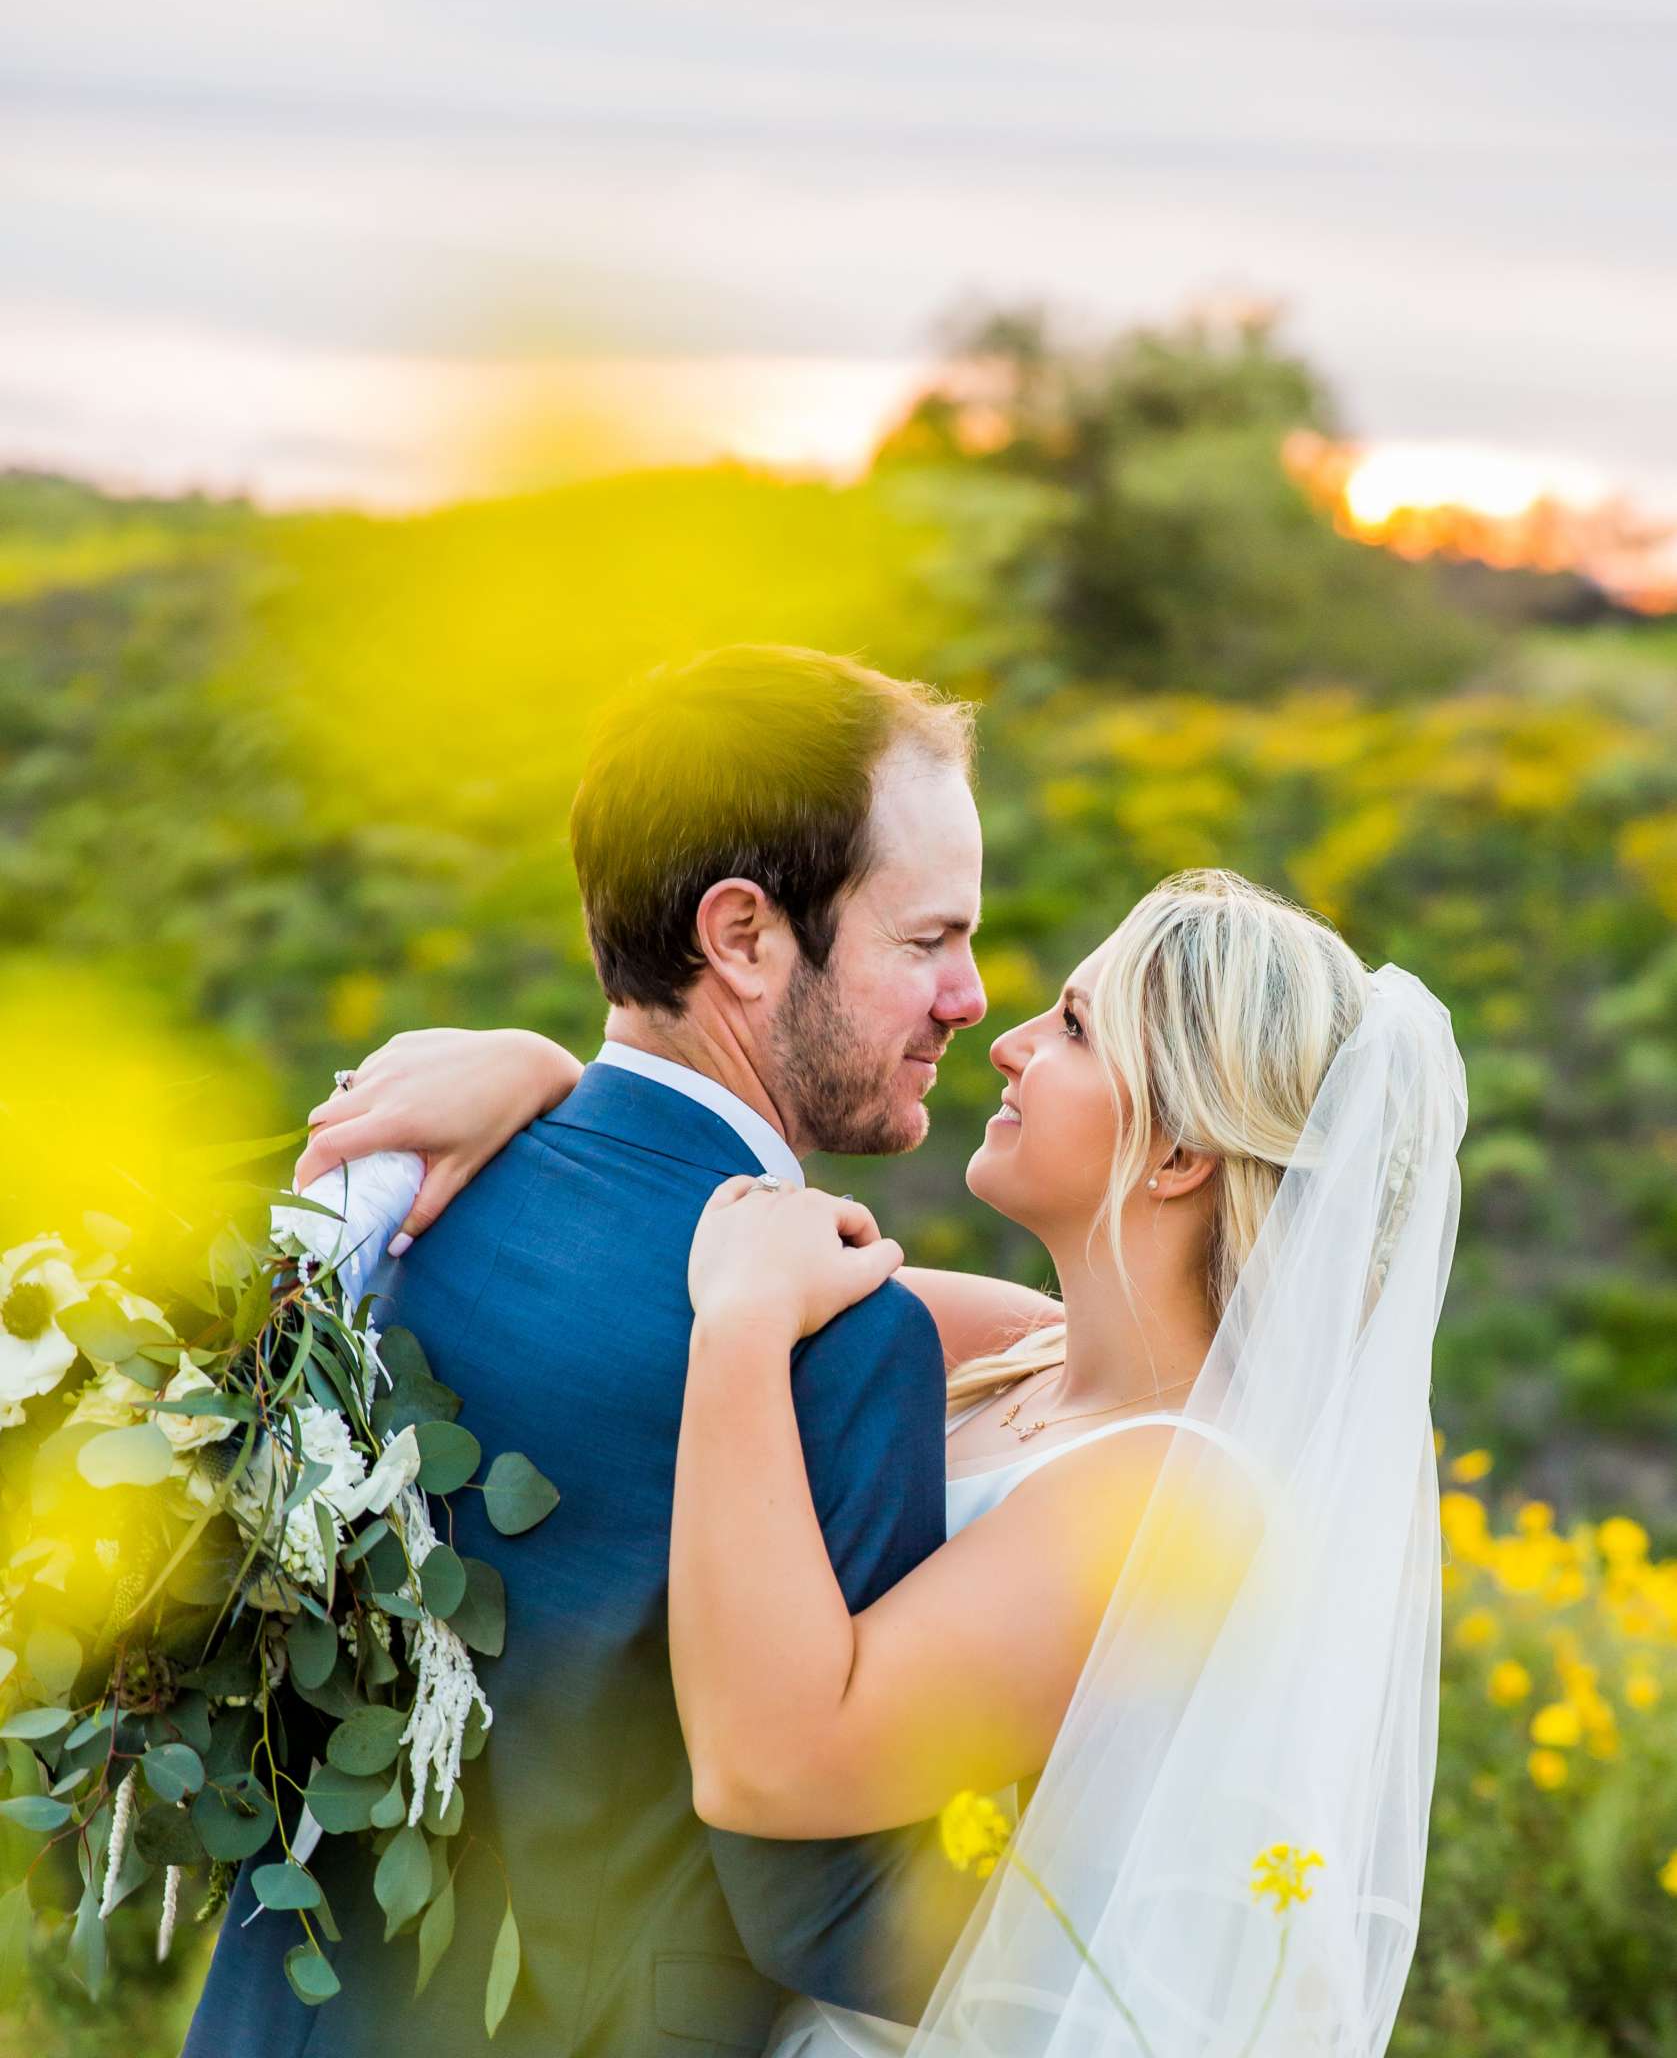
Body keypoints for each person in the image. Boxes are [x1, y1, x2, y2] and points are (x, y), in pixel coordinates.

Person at [328, 869, 1466, 2056]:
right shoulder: (1015, 1347)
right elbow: (674, 1259)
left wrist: (743, 1334)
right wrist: (542, 1074)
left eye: (1075, 1029)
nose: (1012, 1044)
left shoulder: (1178, 1503)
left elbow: (775, 1768)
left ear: (1178, 1153)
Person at [183, 642, 1024, 2058]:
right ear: (744, 938)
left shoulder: (411, 1195)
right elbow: (823, 1909)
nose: (971, 996)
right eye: (928, 942)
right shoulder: (833, 1350)